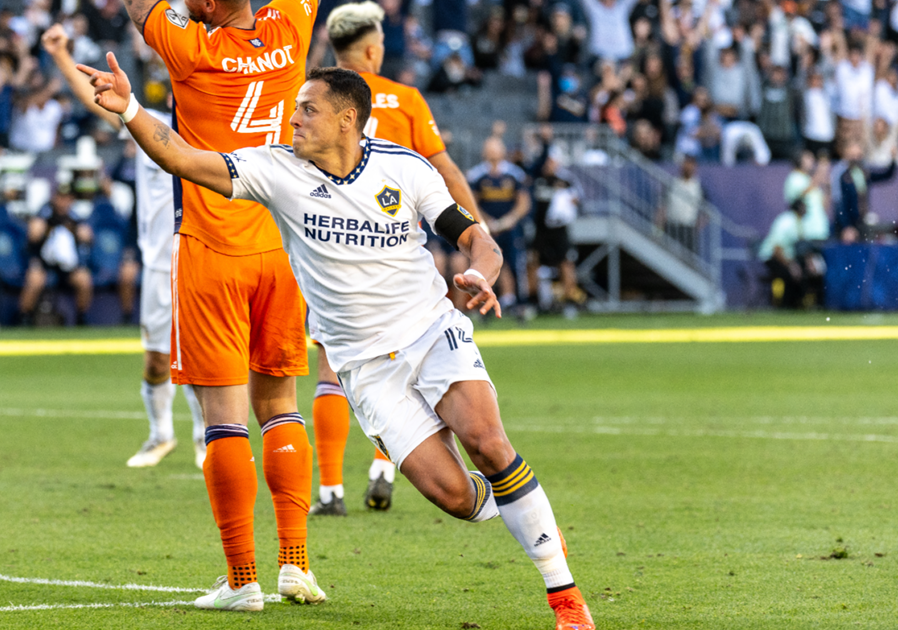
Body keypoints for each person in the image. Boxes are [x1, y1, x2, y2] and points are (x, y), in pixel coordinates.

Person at [79, 57, 596, 630]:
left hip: (430, 330)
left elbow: (479, 239)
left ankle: (567, 602)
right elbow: (181, 156)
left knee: (488, 442)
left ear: (347, 119)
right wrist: (129, 108)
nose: (292, 119)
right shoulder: (275, 170)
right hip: (365, 368)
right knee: (460, 500)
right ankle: (523, 502)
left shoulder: (406, 169)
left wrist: (481, 272)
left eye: (307, 110)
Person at [117, 0, 324, 610]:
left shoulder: (194, 49)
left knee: (225, 419)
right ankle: (295, 564)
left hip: (212, 248)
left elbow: (139, 6)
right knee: (281, 406)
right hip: (283, 247)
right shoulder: (292, 25)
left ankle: (241, 581)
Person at [309, 0, 485, 517]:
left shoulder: (314, 101)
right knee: (415, 366)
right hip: (399, 260)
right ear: (370, 48)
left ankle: (329, 492)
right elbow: (442, 168)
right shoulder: (404, 99)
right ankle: (385, 466)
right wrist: (477, 229)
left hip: (334, 257)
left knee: (329, 368)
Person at [42, 24, 206, 470]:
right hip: (158, 265)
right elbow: (94, 100)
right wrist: (61, 56)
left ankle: (204, 440)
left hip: (203, 259)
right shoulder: (148, 123)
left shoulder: (216, 131)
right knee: (156, 360)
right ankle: (160, 435)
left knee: (202, 359)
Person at [17, 185, 95, 326]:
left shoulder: (75, 218)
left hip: (68, 266)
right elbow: (33, 236)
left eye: (67, 199)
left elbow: (88, 237)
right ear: (55, 198)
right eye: (60, 198)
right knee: (34, 279)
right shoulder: (45, 214)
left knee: (84, 279)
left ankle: (81, 317)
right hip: (45, 264)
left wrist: (81, 233)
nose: (63, 202)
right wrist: (41, 228)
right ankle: (24, 317)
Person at [469, 135, 531, 312]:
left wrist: (509, 220)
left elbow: (523, 202)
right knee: (486, 265)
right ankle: (485, 305)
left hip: (511, 228)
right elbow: (472, 203)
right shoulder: (477, 175)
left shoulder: (514, 173)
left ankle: (520, 303)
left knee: (515, 264)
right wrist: (487, 222)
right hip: (488, 230)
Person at [528, 138, 582, 316]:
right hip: (540, 228)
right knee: (533, 261)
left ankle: (570, 301)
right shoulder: (537, 177)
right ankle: (534, 300)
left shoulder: (565, 180)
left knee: (565, 262)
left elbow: (577, 199)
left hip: (559, 229)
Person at [758, 197, 823, 308]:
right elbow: (776, 249)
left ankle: (800, 304)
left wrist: (809, 262)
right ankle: (785, 306)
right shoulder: (786, 221)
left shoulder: (801, 222)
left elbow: (803, 247)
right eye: (804, 207)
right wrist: (791, 265)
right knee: (789, 274)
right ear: (799, 207)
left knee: (807, 272)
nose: (806, 209)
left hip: (789, 258)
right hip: (773, 257)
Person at [830, 141, 897, 242]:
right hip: (847, 226)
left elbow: (886, 175)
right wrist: (846, 226)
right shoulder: (841, 174)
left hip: (861, 222)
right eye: (853, 156)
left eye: (859, 156)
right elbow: (839, 202)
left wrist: (892, 159)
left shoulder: (862, 172)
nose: (856, 159)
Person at [655, 153, 705, 252]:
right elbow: (662, 206)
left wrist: (697, 226)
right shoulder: (672, 183)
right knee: (667, 255)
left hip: (688, 228)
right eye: (686, 163)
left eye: (691, 164)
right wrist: (658, 228)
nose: (688, 167)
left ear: (695, 167)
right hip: (671, 226)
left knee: (690, 259)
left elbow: (706, 212)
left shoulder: (698, 187)